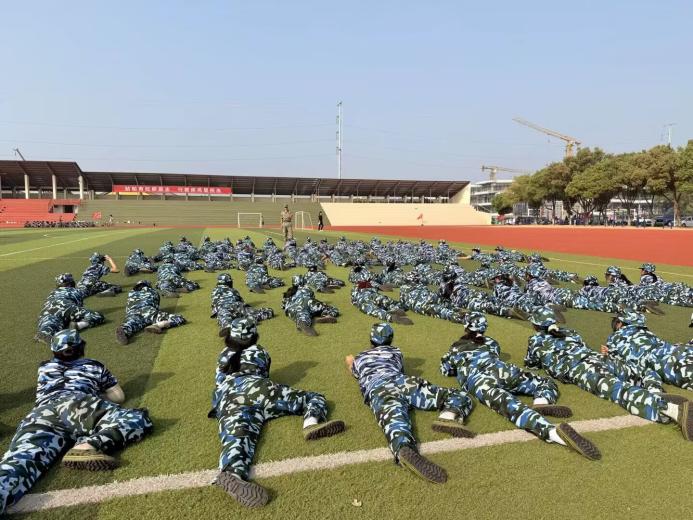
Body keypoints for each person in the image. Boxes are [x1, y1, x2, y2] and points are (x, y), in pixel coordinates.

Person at [0, 330, 153, 514]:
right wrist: (96, 396)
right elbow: (118, 396)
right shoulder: (94, 365)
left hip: (41, 413)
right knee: (136, 419)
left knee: (19, 459)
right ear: (81, 347)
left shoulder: (44, 367)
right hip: (78, 405)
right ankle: (87, 445)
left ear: (54, 351)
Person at [211, 318, 345, 507]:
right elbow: (264, 374)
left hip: (230, 396)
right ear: (254, 336)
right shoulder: (260, 351)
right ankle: (311, 423)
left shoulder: (222, 356)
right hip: (261, 389)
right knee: (313, 398)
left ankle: (232, 472)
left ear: (230, 337)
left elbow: (219, 383)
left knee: (239, 434)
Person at [440, 313, 599, 460]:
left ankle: (553, 433)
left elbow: (446, 369)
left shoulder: (456, 347)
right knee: (544, 382)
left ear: (466, 327)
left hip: (478, 380)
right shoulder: (492, 342)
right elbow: (494, 352)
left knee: (511, 406)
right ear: (484, 327)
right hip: (503, 370)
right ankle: (541, 402)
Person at [525, 307, 693, 441]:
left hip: (580, 369)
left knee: (619, 390)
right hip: (599, 358)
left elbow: (531, 364)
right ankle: (655, 391)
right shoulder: (571, 333)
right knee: (644, 372)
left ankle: (672, 410)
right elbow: (585, 348)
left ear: (535, 325)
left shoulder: (535, 341)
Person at [346, 323, 474, 483]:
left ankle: (403, 447)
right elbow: (399, 368)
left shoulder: (360, 358)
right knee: (457, 395)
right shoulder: (396, 352)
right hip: (404, 382)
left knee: (395, 423)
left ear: (371, 339)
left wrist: (351, 362)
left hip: (379, 388)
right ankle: (448, 416)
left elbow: (356, 373)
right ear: (390, 339)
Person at [601, 310, 693, 391]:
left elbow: (620, 362)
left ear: (621, 323)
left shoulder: (614, 337)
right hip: (679, 350)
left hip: (667, 364)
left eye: (617, 321)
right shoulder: (646, 332)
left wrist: (608, 353)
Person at [35, 273, 105, 343]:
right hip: (67, 306)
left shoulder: (52, 293)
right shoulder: (75, 290)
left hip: (47, 310)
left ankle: (46, 331)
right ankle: (78, 325)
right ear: (70, 283)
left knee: (50, 322)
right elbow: (87, 292)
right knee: (97, 316)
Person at [115, 280, 187, 345]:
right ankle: (158, 325)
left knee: (132, 324)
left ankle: (124, 330)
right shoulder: (153, 291)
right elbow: (156, 306)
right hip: (148, 311)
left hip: (132, 313)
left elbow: (127, 309)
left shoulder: (131, 293)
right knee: (179, 318)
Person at [212, 273, 274, 338]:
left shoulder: (214, 291)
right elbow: (241, 302)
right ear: (228, 282)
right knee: (264, 312)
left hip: (223, 308)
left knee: (225, 318)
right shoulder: (233, 290)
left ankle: (228, 325)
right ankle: (251, 319)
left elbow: (214, 306)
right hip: (237, 305)